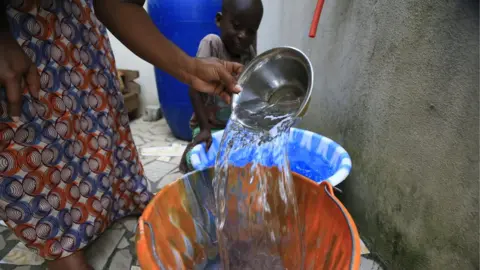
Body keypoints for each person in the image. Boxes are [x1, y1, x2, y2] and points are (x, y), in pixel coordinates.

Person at [0, 0, 243, 269]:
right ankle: (59, 243)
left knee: (97, 116)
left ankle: (121, 198)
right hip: (17, 33)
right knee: (30, 132)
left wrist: (191, 68)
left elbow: (114, 2)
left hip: (73, 28)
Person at [179, 0, 264, 172]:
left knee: (244, 164)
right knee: (201, 160)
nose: (242, 35)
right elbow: (194, 88)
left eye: (251, 32)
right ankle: (187, 160)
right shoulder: (213, 44)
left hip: (233, 126)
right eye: (237, 26)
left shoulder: (249, 54)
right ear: (219, 20)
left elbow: (253, 92)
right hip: (208, 124)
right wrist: (204, 128)